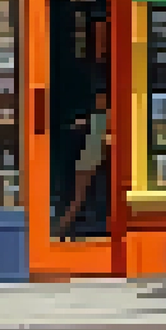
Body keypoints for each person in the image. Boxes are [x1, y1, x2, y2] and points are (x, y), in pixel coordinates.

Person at [58, 91, 109, 240]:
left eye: (102, 98)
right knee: (78, 197)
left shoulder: (104, 117)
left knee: (80, 197)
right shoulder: (99, 117)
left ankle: (65, 227)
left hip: (93, 161)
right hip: (89, 161)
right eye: (98, 98)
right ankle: (64, 227)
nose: (99, 101)